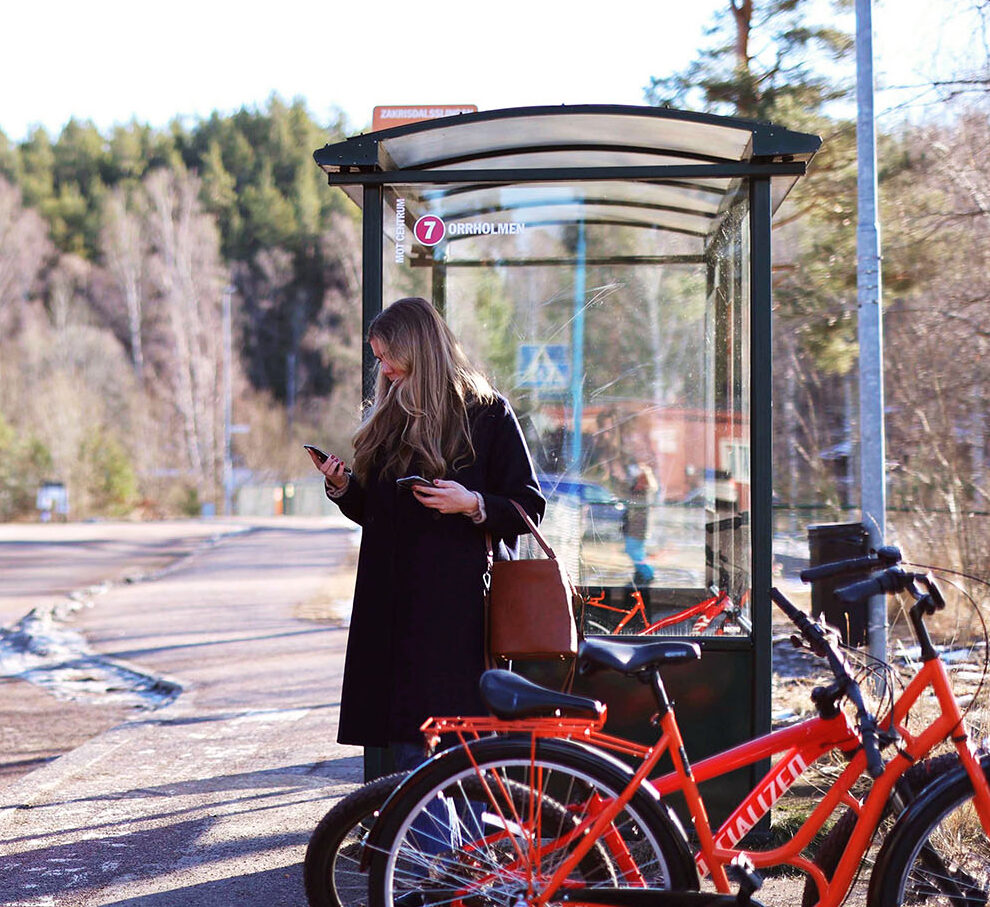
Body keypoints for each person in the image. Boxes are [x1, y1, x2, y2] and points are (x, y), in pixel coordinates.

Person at [308, 297, 545, 771]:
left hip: (456, 612)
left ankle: (443, 845)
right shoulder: (390, 416)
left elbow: (529, 506)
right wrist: (343, 487)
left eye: (387, 357)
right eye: (378, 359)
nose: (384, 369)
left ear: (417, 348)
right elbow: (377, 513)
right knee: (407, 739)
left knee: (451, 740)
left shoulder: (487, 413)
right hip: (391, 606)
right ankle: (424, 845)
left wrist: (472, 503)